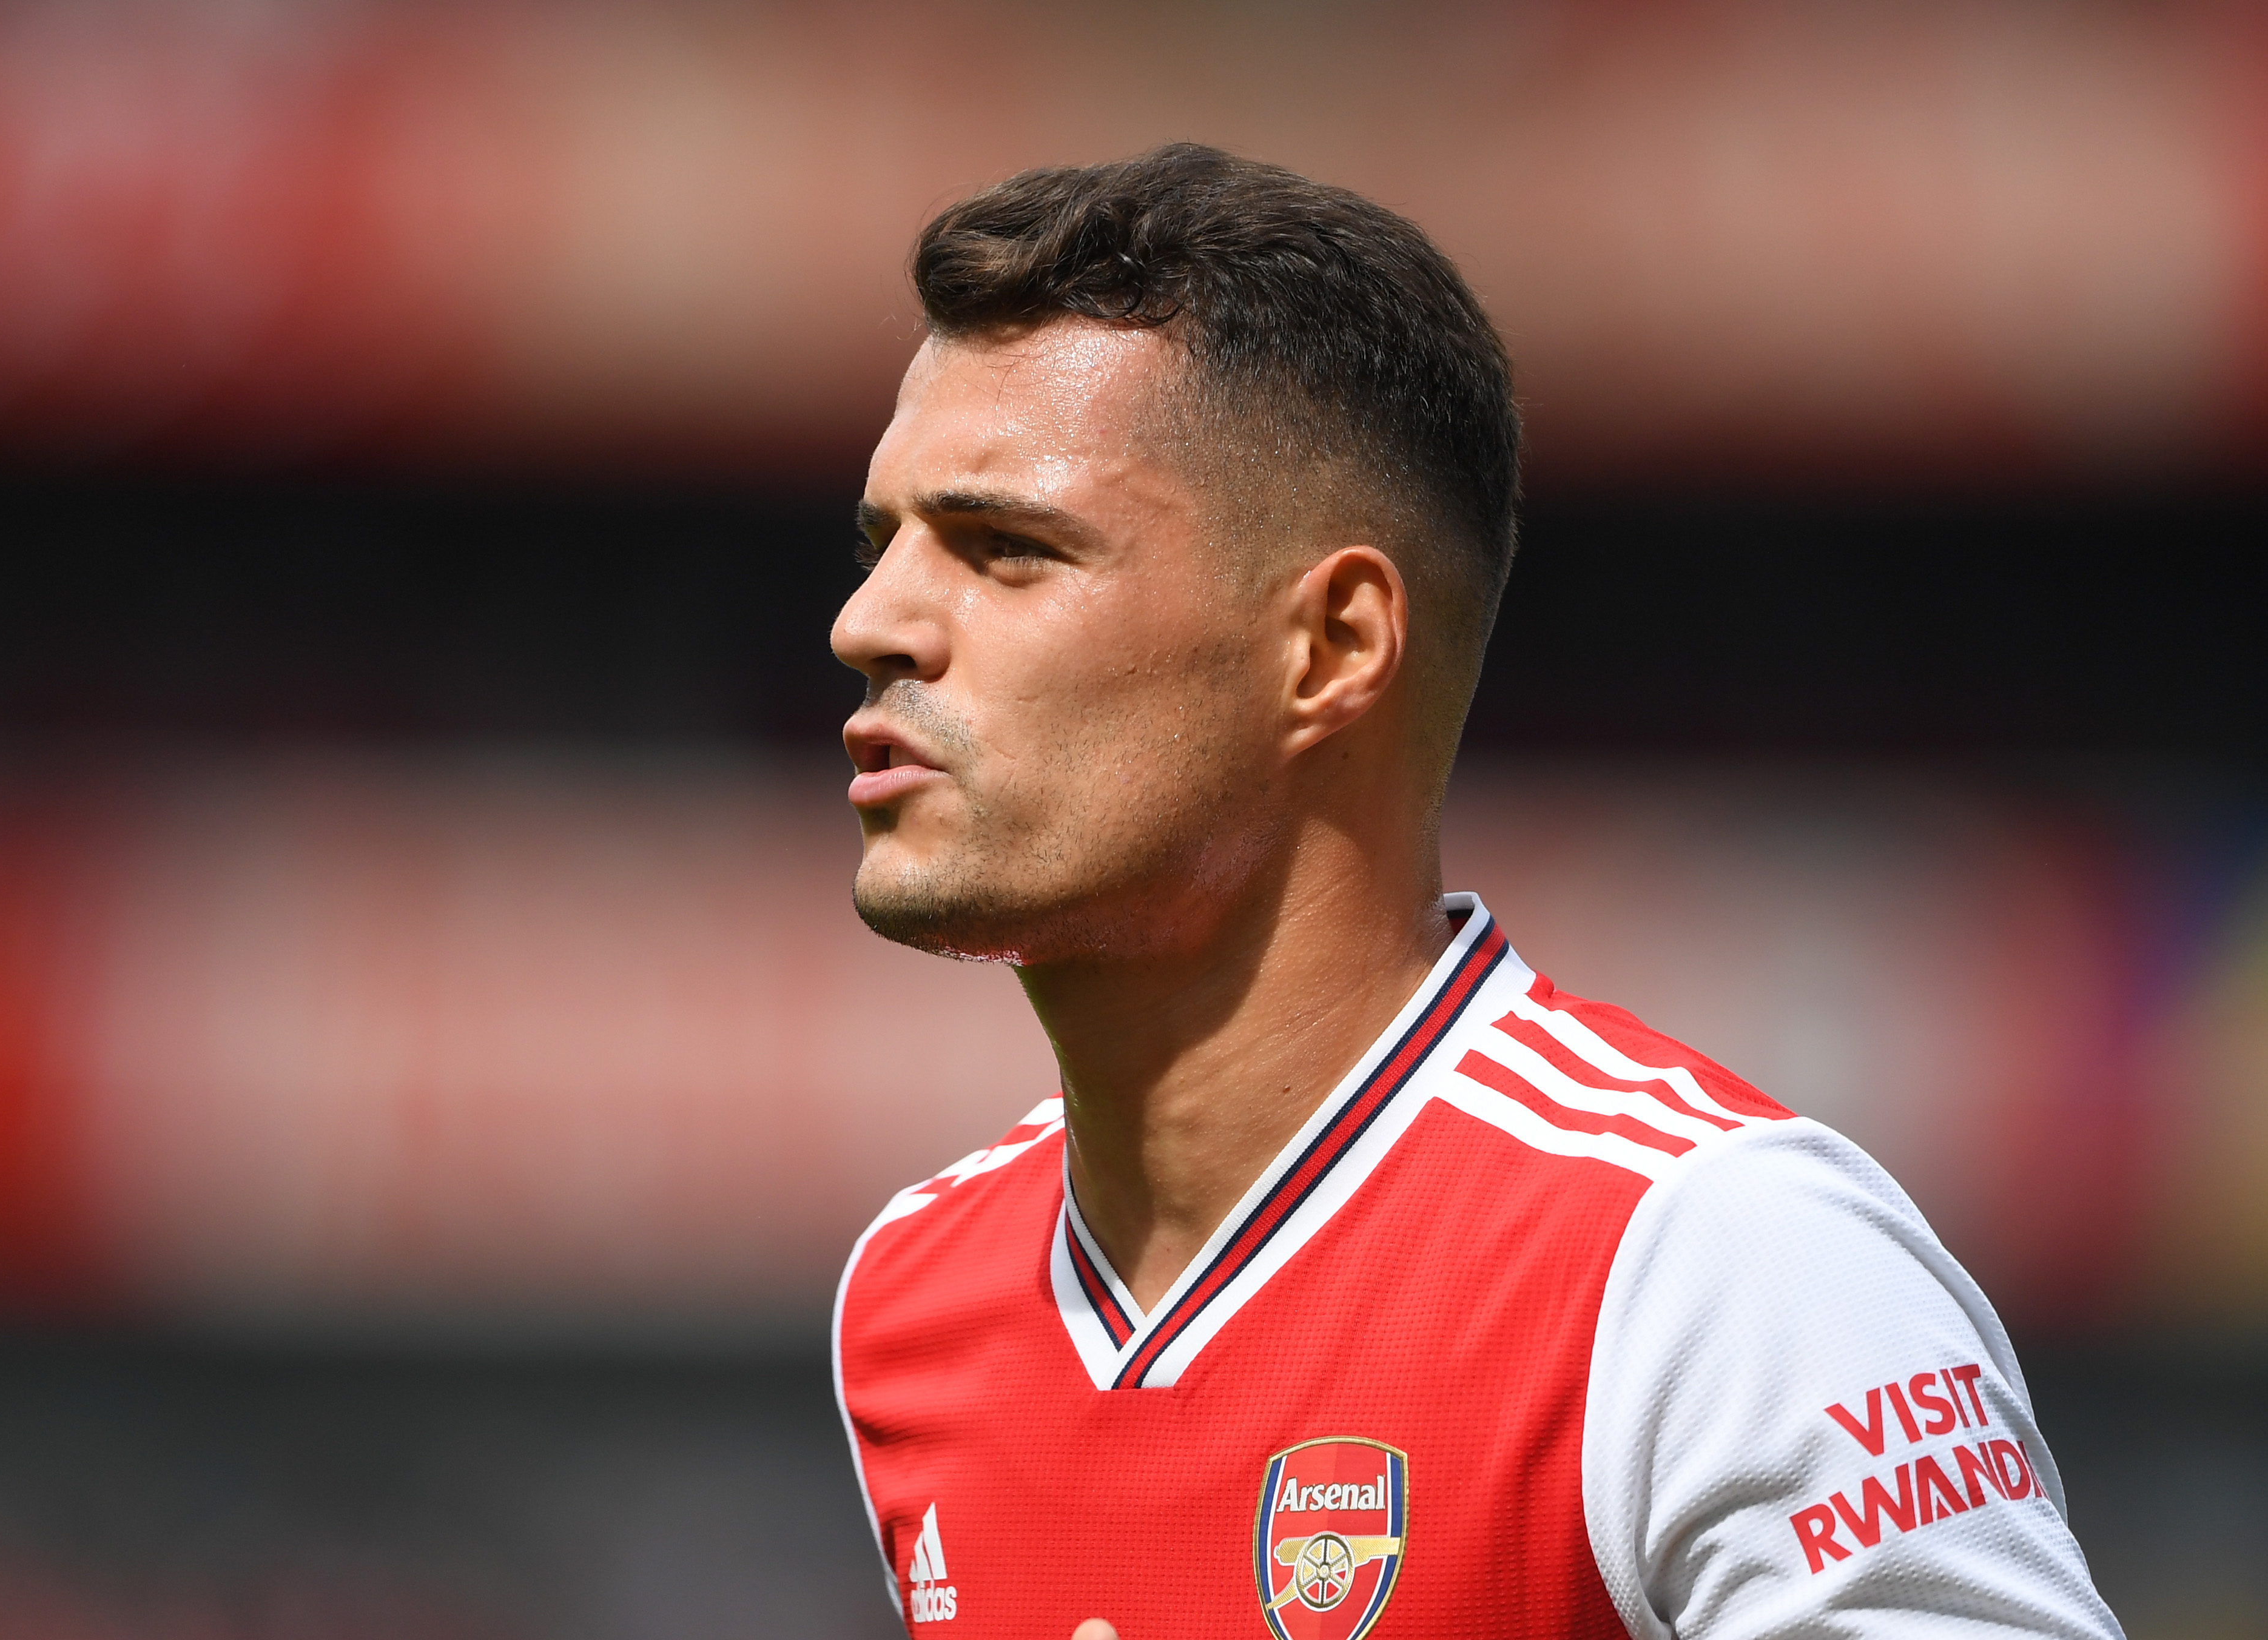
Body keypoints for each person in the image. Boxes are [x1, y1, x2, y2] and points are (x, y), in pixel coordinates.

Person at [828, 144, 2119, 1640]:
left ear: (1332, 646)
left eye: (1005, 551)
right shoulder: (913, 1293)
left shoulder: (1709, 1258)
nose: (872, 622)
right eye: (884, 545)